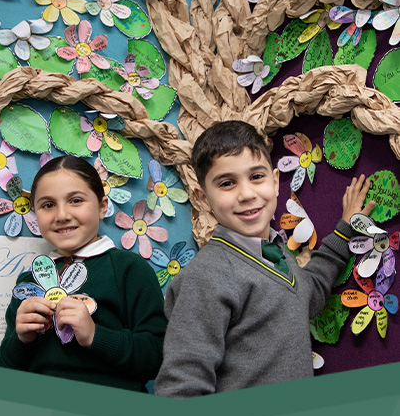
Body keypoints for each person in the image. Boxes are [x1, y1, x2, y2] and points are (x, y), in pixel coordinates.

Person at [154, 120, 375, 397]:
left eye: (256, 177)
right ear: (202, 198)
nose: (247, 194)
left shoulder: (277, 251)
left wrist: (345, 230)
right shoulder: (208, 276)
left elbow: (310, 292)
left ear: (274, 182)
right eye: (226, 183)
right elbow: (181, 388)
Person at [0, 156, 167, 392]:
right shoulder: (27, 284)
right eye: (48, 205)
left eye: (75, 200)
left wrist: (95, 335)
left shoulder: (130, 270)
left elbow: (157, 359)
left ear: (102, 206)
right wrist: (21, 340)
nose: (61, 215)